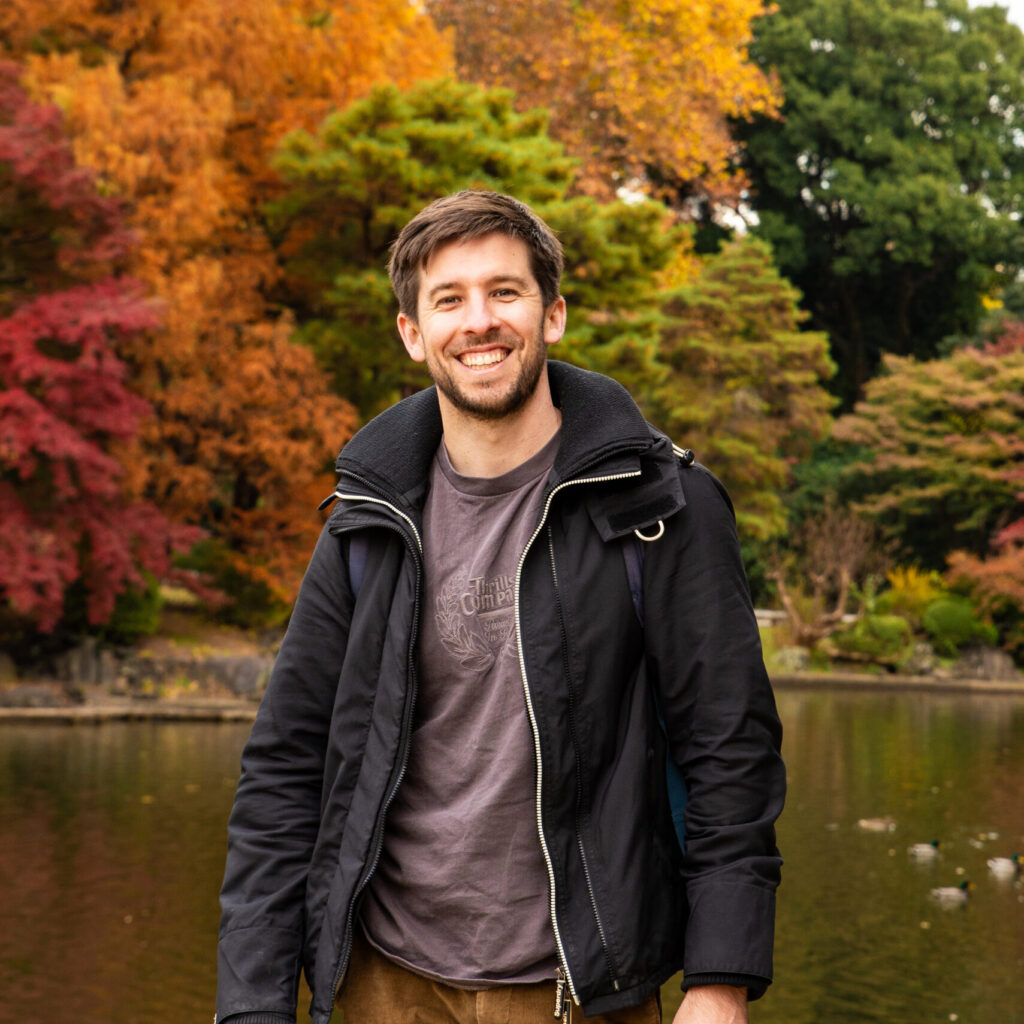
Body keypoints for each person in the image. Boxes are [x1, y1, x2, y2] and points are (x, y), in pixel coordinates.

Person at [216, 191, 785, 1024]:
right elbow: (285, 770)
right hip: (381, 985)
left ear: (552, 315)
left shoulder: (662, 507)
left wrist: (719, 978)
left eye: (504, 292)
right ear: (414, 334)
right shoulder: (363, 521)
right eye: (448, 299)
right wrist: (252, 1005)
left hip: (577, 987)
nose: (478, 321)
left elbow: (729, 752)